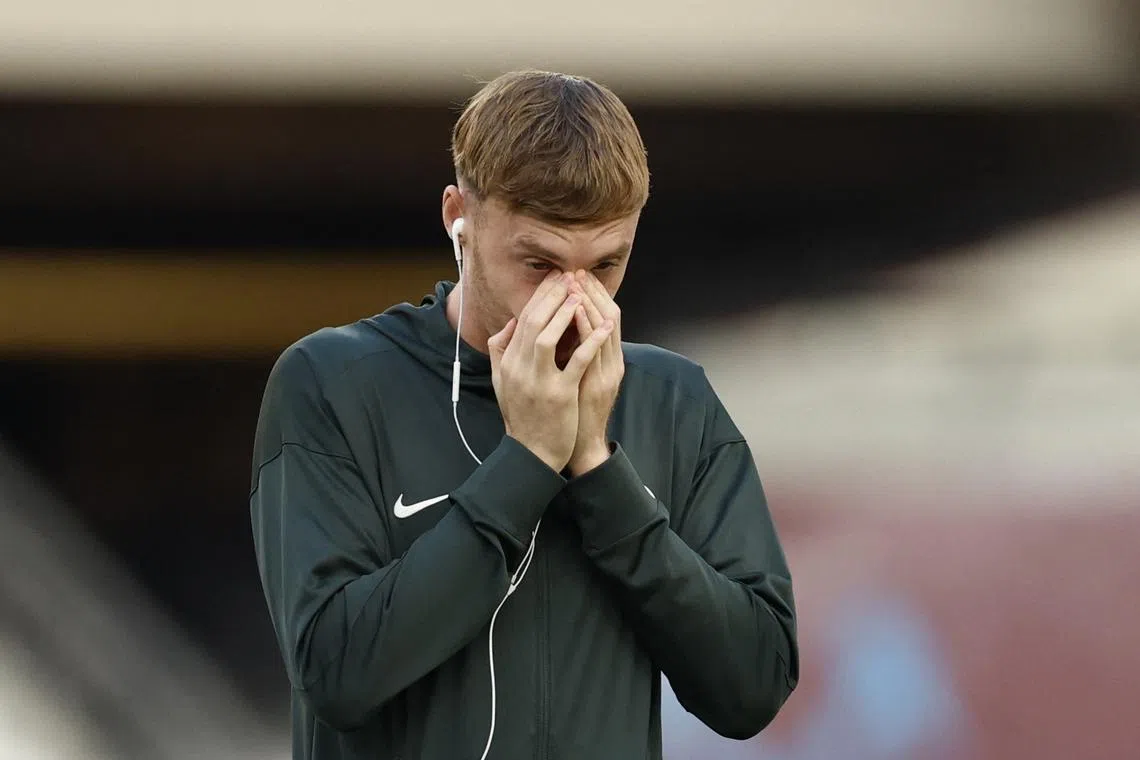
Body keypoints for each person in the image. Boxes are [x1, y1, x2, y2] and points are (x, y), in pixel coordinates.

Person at [249, 69, 798, 760]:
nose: (573, 299)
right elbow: (336, 675)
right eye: (539, 263)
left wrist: (600, 472)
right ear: (459, 217)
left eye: (606, 266)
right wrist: (528, 460)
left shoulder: (674, 399)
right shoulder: (333, 383)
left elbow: (754, 688)